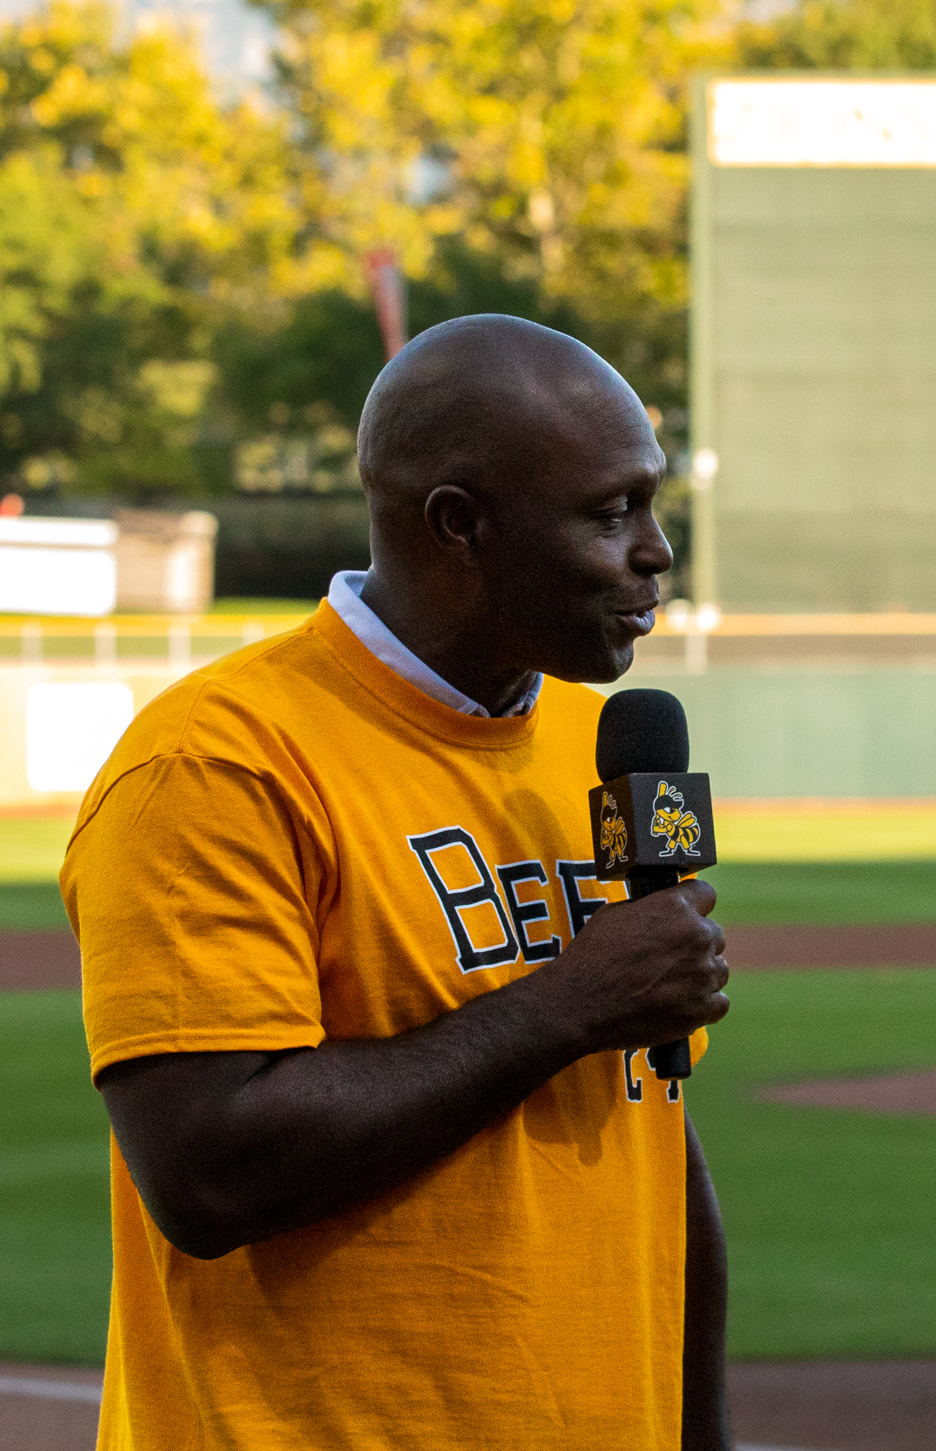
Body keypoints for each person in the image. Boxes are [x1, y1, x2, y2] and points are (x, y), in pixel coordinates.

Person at [62, 315, 732, 1450]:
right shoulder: (215, 762)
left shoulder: (601, 746)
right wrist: (569, 1004)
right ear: (459, 524)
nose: (657, 551)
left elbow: (653, 1131)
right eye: (612, 511)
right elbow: (209, 1169)